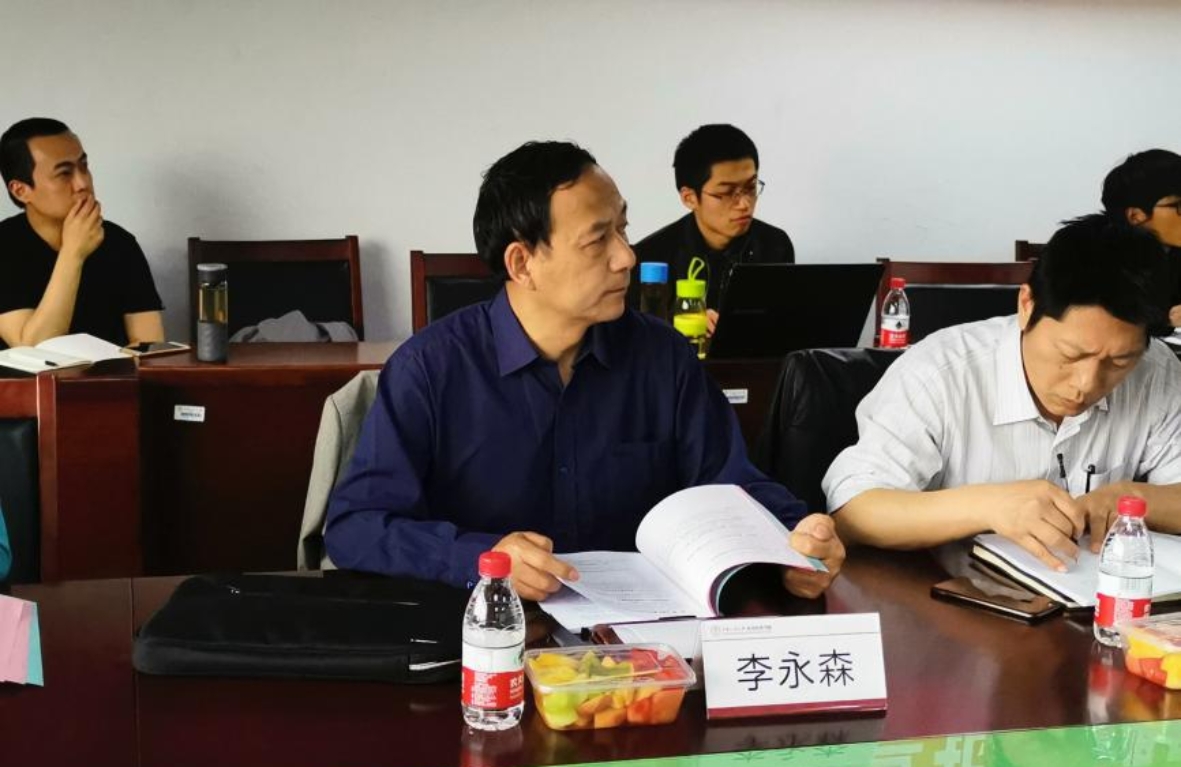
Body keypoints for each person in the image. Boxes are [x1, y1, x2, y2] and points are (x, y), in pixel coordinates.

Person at [326, 141, 842, 601]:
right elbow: (357, 527)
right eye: (598, 240)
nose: (626, 257)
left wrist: (798, 538)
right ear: (522, 263)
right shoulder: (430, 368)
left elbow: (732, 485)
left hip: (647, 641)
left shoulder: (662, 356)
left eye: (623, 229)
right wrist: (482, 558)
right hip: (488, 636)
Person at [823, 215, 1181, 573]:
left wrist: (1134, 498)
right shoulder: (940, 373)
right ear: (1026, 305)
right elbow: (854, 511)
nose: (1087, 382)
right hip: (944, 593)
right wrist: (989, 506)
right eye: (1071, 354)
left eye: (1119, 361)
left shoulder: (1158, 372)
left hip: (1095, 599)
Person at [0, 118, 163, 349]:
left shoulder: (120, 243)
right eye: (64, 173)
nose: (82, 183)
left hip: (111, 372)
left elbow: (151, 347)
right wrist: (73, 254)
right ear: (21, 191)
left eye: (84, 166)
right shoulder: (5, 246)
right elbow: (34, 349)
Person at [633, 124, 793, 334]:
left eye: (750, 187)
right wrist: (678, 323)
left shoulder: (774, 245)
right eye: (726, 193)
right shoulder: (650, 257)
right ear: (689, 198)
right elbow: (636, 336)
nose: (744, 203)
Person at [1101, 148, 1181, 327]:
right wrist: (1166, 321)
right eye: (1179, 205)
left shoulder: (1173, 255)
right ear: (1135, 216)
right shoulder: (1100, 265)